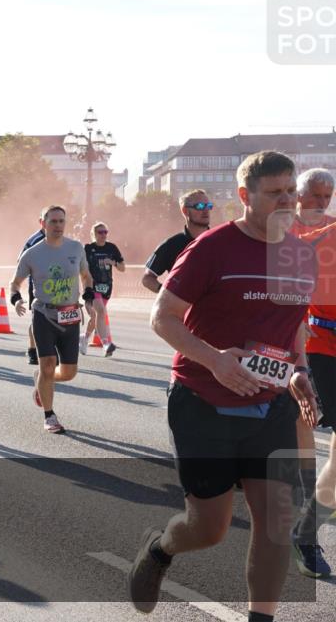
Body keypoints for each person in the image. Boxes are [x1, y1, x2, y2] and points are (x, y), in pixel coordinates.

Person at [128, 151, 319, 621]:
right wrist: (215, 361)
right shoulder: (211, 248)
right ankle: (160, 549)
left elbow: (293, 327)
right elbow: (162, 317)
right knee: (207, 529)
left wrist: (299, 372)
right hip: (203, 400)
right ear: (244, 197)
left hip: (270, 405)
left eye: (291, 191)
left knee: (275, 523)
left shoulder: (302, 254)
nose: (287, 201)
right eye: (275, 193)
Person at [289, 169, 336, 579]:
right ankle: (305, 534)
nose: (321, 202)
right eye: (314, 195)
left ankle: (305, 529)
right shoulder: (297, 240)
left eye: (328, 195)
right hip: (319, 351)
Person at [10, 205, 93, 434]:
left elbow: (86, 276)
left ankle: (42, 380)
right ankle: (49, 415)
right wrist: (16, 299)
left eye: (61, 221)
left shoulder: (76, 248)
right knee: (48, 365)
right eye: (53, 221)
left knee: (68, 373)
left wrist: (87, 295)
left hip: (70, 315)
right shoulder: (32, 254)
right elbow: (15, 283)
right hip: (44, 314)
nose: (58, 226)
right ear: (43, 223)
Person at [141, 189, 213, 293]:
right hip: (182, 308)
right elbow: (147, 279)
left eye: (209, 206)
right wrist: (167, 293)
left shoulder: (220, 242)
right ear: (185, 211)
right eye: (200, 206)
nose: (206, 210)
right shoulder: (171, 245)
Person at [81, 222, 124, 357]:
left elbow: (123, 268)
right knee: (101, 311)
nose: (103, 235)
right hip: (92, 286)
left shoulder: (112, 248)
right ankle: (106, 344)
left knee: (96, 316)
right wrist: (85, 290)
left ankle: (84, 337)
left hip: (106, 287)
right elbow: (82, 270)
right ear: (94, 234)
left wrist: (113, 263)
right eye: (100, 232)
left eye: (105, 232)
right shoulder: (88, 248)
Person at [20, 226, 46, 365]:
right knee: (37, 318)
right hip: (37, 286)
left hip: (57, 287)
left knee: (55, 318)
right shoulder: (34, 239)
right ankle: (32, 350)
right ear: (43, 222)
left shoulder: (62, 240)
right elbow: (21, 261)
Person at [289, 168, 336, 238]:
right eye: (316, 196)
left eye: (327, 196)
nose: (323, 203)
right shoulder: (281, 227)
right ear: (298, 196)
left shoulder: (333, 226)